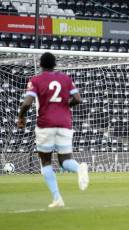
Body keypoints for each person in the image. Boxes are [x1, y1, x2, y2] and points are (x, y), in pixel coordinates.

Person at [17, 52, 89, 208]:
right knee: (65, 161)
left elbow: (27, 103)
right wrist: (65, 107)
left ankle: (57, 198)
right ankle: (79, 168)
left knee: (46, 162)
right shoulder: (66, 79)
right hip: (64, 123)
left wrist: (21, 117)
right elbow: (78, 99)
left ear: (41, 65)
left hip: (45, 124)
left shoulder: (36, 80)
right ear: (55, 64)